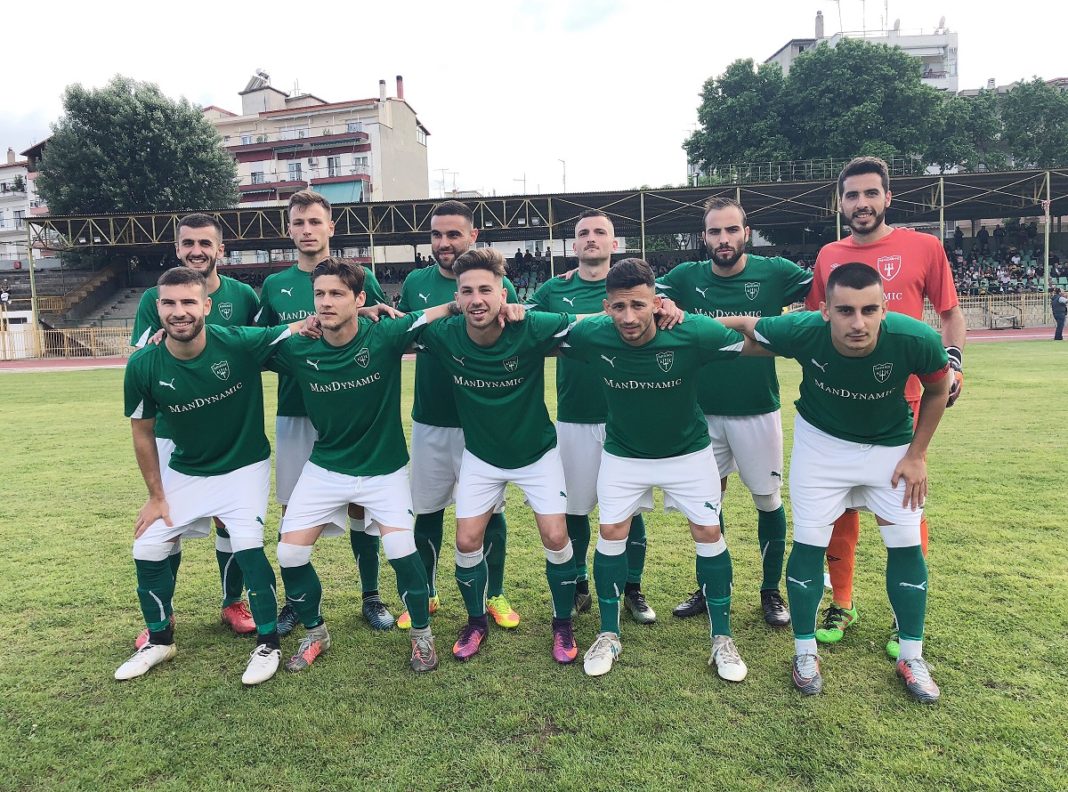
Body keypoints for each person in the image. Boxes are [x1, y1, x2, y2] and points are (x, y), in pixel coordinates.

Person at [724, 263, 951, 702]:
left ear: (884, 309)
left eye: (869, 310)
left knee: (906, 543)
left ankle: (912, 656)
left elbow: (939, 390)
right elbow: (746, 324)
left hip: (890, 449)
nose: (858, 323)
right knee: (809, 543)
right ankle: (805, 653)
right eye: (845, 310)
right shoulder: (802, 329)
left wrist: (916, 455)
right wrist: (676, 318)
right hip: (822, 447)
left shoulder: (916, 338)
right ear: (825, 310)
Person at [561, 258, 762, 680]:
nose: (628, 317)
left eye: (639, 305)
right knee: (611, 532)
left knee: (708, 532)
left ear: (657, 302)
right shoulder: (592, 333)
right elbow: (541, 329)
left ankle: (722, 638)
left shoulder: (691, 331)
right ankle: (608, 634)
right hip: (623, 455)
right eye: (619, 307)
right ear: (605, 307)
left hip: (688, 454)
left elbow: (758, 340)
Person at [268, 258, 466, 674]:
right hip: (325, 468)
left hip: (384, 470)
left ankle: (422, 637)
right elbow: (237, 343)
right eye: (319, 294)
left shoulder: (385, 335)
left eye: (337, 294)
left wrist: (463, 302)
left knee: (400, 549)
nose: (326, 302)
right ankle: (316, 632)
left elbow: (428, 314)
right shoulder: (299, 346)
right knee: (289, 552)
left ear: (359, 299)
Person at [117, 266, 307, 685]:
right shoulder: (144, 364)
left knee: (247, 543)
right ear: (157, 308)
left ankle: (269, 643)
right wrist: (156, 496)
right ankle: (160, 640)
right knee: (147, 546)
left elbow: (296, 328)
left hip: (243, 467)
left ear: (205, 306)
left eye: (188, 301)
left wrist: (358, 314)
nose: (179, 311)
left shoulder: (237, 341)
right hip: (187, 468)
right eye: (169, 303)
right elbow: (142, 432)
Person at [807, 156, 965, 659]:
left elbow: (950, 312)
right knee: (839, 509)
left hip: (905, 402)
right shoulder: (829, 255)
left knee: (904, 507)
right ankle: (842, 603)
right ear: (840, 202)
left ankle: (904, 616)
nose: (862, 203)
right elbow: (815, 322)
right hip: (841, 406)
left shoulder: (924, 247)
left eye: (870, 193)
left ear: (887, 197)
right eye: (852, 195)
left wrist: (954, 361)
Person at [416, 248, 583, 664]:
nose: (477, 300)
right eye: (467, 291)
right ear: (457, 297)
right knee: (466, 539)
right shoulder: (445, 333)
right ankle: (476, 621)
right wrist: (441, 309)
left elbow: (589, 322)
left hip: (536, 454)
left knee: (555, 537)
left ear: (503, 293)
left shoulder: (530, 326)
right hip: (482, 456)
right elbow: (398, 327)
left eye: (486, 290)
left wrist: (654, 308)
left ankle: (562, 624)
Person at [657, 197, 812, 626]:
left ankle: (770, 591)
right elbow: (644, 294)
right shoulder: (685, 277)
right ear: (703, 237)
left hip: (757, 409)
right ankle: (711, 587)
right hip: (701, 413)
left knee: (767, 500)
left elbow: (829, 283)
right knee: (707, 501)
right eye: (714, 232)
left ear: (746, 232)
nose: (723, 239)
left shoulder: (776, 271)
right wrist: (664, 304)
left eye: (731, 230)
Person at [258, 189, 398, 635]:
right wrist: (296, 330)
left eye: (315, 221)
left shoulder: (360, 276)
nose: (307, 230)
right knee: (291, 508)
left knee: (361, 503)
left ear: (330, 227)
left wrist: (367, 312)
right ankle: (295, 602)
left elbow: (382, 326)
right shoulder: (274, 286)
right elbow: (261, 346)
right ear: (289, 229)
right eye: (299, 223)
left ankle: (371, 596)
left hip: (354, 413)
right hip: (296, 411)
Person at [128, 213, 261, 646]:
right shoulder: (155, 298)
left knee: (230, 521)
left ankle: (232, 602)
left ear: (221, 249)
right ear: (177, 248)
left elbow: (255, 348)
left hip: (228, 430)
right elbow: (143, 359)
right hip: (171, 431)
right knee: (167, 520)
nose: (196, 251)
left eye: (205, 243)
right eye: (188, 243)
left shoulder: (243, 295)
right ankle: (162, 614)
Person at [526, 210, 656, 622]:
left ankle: (632, 587)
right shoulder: (554, 288)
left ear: (614, 243)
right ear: (574, 244)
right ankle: (580, 584)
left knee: (630, 508)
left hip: (627, 414)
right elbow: (523, 319)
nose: (591, 238)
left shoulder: (632, 285)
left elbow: (666, 309)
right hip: (575, 416)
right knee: (576, 508)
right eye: (583, 233)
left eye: (600, 232)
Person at [396, 201, 521, 631]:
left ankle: (495, 592)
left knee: (491, 512)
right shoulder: (415, 282)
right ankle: (427, 592)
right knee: (427, 510)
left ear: (473, 236)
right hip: (431, 418)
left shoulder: (501, 285)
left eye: (453, 234)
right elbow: (401, 331)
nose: (444, 243)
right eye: (437, 234)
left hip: (481, 422)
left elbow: (516, 335)